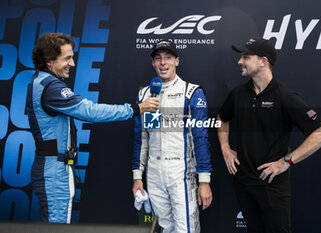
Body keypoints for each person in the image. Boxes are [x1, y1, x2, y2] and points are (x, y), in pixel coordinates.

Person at [26, 32, 159, 223]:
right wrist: (137, 108)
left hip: (54, 167)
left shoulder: (42, 81)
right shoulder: (51, 87)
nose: (72, 63)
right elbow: (90, 112)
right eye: (67, 58)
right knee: (56, 228)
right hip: (53, 171)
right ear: (49, 61)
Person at [217, 37, 321, 233]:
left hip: (272, 186)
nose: (239, 61)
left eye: (246, 57)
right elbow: (222, 118)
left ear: (263, 61)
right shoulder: (238, 94)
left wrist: (286, 162)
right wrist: (225, 148)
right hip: (243, 182)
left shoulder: (284, 96)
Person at [132, 40, 213, 233]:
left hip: (181, 171)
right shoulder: (144, 94)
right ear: (152, 63)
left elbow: (200, 137)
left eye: (168, 57)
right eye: (158, 58)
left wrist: (204, 180)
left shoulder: (191, 92)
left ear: (177, 61)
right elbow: (141, 138)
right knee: (165, 228)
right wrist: (137, 176)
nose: (163, 63)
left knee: (186, 229)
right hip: (153, 172)